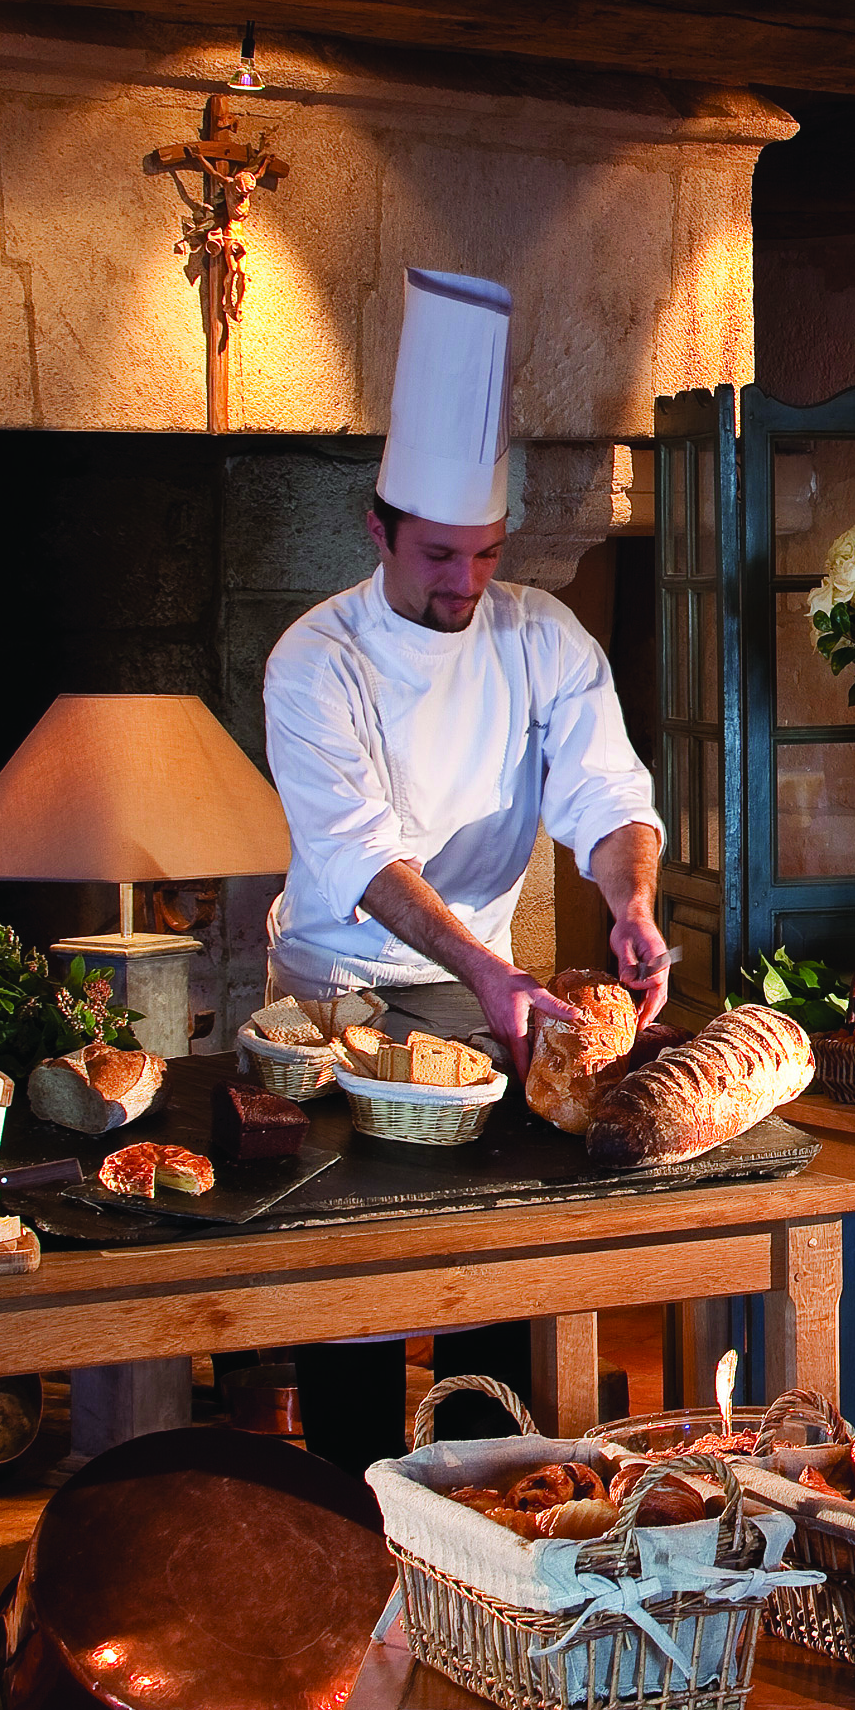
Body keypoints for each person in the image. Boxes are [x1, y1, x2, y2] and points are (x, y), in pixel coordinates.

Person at [258, 267, 667, 1468]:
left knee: (488, 1272)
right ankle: (350, 1518)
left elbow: (609, 797)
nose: (466, 584)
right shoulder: (315, 659)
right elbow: (363, 856)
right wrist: (490, 970)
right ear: (377, 530)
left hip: (480, 998)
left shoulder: (543, 636)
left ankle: (486, 1511)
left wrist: (631, 900)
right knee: (356, 1290)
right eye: (440, 555)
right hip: (334, 999)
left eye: (486, 554)